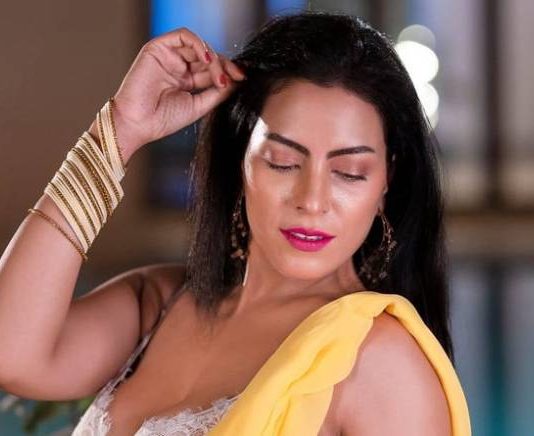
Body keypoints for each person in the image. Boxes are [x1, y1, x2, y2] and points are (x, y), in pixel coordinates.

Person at [0, 11, 471, 436]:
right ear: (240, 161)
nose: (312, 201)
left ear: (387, 181)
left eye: (349, 172)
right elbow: (12, 353)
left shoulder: (380, 361)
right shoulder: (161, 305)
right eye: (284, 163)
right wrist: (120, 129)